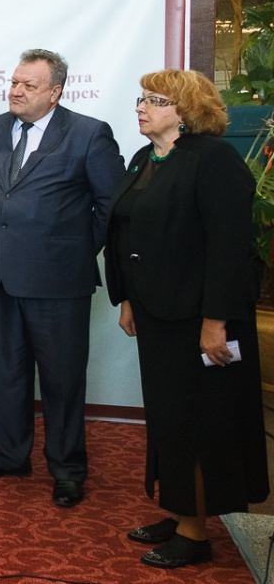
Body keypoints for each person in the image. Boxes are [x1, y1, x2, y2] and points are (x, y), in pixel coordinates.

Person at [105, 69, 268, 569]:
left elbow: (229, 249)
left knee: (197, 422)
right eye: (142, 98)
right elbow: (127, 234)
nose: (141, 107)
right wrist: (127, 299)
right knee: (169, 420)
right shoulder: (146, 158)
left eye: (155, 100)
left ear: (187, 111)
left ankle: (195, 534)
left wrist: (215, 321)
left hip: (199, 318)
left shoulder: (213, 159)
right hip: (156, 315)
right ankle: (180, 512)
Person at [0, 49, 124, 509]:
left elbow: (111, 205)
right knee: (5, 376)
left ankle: (67, 470)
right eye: (14, 82)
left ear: (55, 92)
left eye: (28, 85)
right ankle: (9, 456)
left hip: (58, 283)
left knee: (61, 382)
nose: (15, 91)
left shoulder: (89, 133)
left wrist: (72, 251)